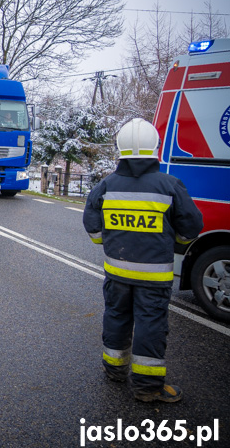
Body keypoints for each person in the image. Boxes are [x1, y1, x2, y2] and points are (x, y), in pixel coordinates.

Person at [83, 118, 202, 403]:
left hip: (117, 274)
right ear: (155, 148)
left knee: (116, 317)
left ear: (119, 149)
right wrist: (173, 244)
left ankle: (114, 370)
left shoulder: (106, 185)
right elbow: (191, 228)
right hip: (155, 277)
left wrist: (107, 244)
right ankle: (147, 387)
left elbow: (92, 224)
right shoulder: (170, 185)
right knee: (150, 325)